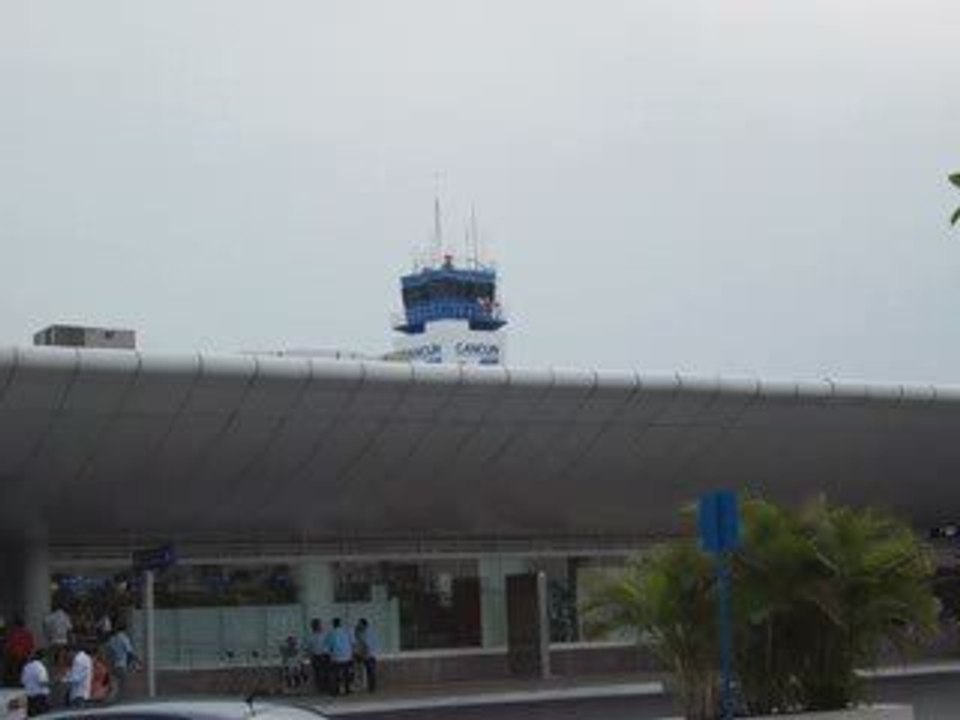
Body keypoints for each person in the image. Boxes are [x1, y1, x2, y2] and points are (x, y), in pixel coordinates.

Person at [103, 624, 138, 700]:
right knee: (123, 686)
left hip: (113, 666)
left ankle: (112, 701)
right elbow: (129, 652)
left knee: (115, 686)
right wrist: (132, 663)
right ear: (124, 630)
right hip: (122, 665)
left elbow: (108, 653)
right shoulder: (124, 638)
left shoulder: (112, 639)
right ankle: (121, 702)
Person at [324, 618, 353, 696]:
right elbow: (352, 643)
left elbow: (327, 646)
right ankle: (347, 689)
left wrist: (328, 653)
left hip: (336, 657)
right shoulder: (347, 632)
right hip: (347, 657)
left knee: (335, 675)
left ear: (333, 624)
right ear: (340, 624)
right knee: (346, 674)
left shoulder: (331, 633)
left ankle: (336, 690)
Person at [3, 618, 34, 686]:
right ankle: (19, 678)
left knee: (13, 663)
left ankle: (14, 678)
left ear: (16, 625)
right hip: (24, 655)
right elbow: (31, 645)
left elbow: (9, 645)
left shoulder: (13, 633)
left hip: (16, 655)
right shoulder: (27, 633)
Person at [20, 649, 50, 717]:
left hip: (30, 698)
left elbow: (23, 682)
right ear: (44, 658)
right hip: (40, 697)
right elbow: (42, 682)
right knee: (43, 717)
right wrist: (53, 683)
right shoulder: (41, 667)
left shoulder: (26, 667)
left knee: (32, 717)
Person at [305, 619, 329, 695]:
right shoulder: (310, 636)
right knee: (318, 673)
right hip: (316, 656)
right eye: (319, 625)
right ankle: (320, 688)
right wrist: (310, 656)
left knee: (325, 672)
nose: (320, 626)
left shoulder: (325, 634)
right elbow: (307, 648)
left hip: (325, 656)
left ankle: (326, 688)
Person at [353, 618, 377, 693]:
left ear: (363, 624)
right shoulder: (361, 632)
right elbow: (358, 641)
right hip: (363, 654)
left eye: (359, 624)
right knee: (361, 670)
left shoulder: (367, 633)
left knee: (371, 671)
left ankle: (371, 688)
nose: (358, 625)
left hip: (368, 655)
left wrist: (365, 653)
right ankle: (363, 685)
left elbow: (366, 644)